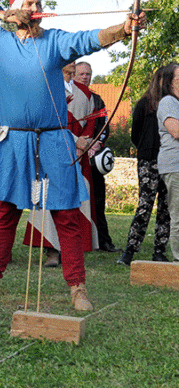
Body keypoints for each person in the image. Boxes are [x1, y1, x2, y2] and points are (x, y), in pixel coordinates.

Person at [0, 0, 146, 310]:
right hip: (15, 140)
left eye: (38, 2)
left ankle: (77, 288)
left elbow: (88, 39)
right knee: (6, 213)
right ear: (17, 9)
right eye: (29, 2)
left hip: (54, 139)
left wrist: (124, 28)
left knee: (66, 214)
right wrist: (0, 13)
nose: (35, 6)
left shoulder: (55, 41)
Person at [24, 62, 98, 268]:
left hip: (76, 155)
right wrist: (75, 141)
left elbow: (90, 121)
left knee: (71, 202)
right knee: (49, 200)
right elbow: (44, 122)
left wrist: (81, 147)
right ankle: (51, 251)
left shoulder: (85, 93)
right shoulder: (46, 87)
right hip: (50, 151)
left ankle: (71, 250)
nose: (71, 65)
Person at [118, 67, 170, 265]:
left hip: (169, 160)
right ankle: (130, 251)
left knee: (166, 208)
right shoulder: (144, 105)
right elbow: (135, 134)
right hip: (148, 160)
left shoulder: (174, 104)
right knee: (145, 205)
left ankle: (159, 251)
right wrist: (146, 149)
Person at [74, 61, 120, 252]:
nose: (85, 77)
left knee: (98, 200)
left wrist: (95, 144)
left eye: (88, 74)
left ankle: (103, 241)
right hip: (72, 156)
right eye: (82, 74)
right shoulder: (65, 97)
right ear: (74, 75)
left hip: (92, 158)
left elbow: (104, 127)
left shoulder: (97, 100)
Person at [155, 63, 179, 262]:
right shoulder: (168, 102)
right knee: (178, 213)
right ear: (170, 83)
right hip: (175, 165)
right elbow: (176, 131)